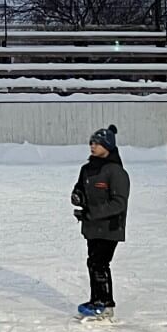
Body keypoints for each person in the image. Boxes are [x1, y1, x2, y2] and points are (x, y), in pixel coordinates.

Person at [70, 125, 129, 319]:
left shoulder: (116, 172)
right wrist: (77, 196)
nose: (92, 146)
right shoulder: (87, 169)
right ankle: (96, 300)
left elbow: (119, 203)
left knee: (100, 263)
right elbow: (80, 187)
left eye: (97, 143)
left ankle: (105, 304)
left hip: (110, 227)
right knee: (93, 263)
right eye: (91, 143)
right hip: (92, 225)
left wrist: (93, 212)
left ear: (108, 146)